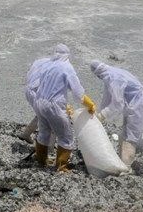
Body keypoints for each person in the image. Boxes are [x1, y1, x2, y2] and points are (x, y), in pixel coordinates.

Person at [31, 44, 96, 172]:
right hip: (54, 106)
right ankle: (61, 166)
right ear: (67, 56)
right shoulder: (67, 68)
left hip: (39, 103)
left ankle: (40, 161)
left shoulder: (47, 66)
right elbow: (78, 93)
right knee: (66, 137)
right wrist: (90, 104)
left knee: (44, 133)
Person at [89, 60, 143, 166]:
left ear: (98, 73)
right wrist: (98, 113)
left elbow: (117, 103)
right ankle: (121, 162)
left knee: (130, 136)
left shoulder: (113, 78)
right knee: (125, 132)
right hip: (132, 103)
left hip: (137, 103)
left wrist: (102, 115)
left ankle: (126, 166)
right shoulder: (110, 74)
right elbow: (108, 98)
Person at [17, 54, 50, 141]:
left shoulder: (44, 61)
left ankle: (26, 134)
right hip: (36, 93)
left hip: (29, 90)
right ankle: (48, 148)